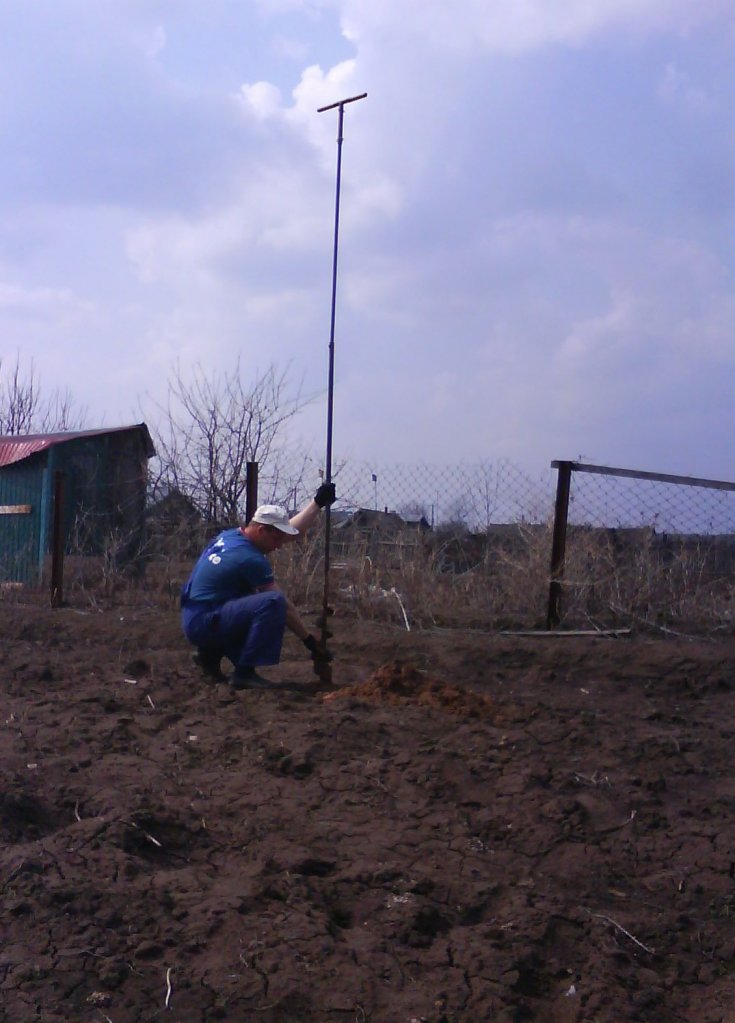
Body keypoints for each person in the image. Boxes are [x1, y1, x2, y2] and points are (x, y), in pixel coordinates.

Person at [181, 483, 336, 689]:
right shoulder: (250, 558)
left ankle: (209, 655)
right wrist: (309, 641)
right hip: (205, 621)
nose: (280, 545)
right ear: (261, 530)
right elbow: (285, 607)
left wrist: (317, 504)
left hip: (198, 615)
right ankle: (244, 673)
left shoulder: (231, 536)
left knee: (248, 599)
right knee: (271, 603)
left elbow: (293, 532)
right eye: (276, 538)